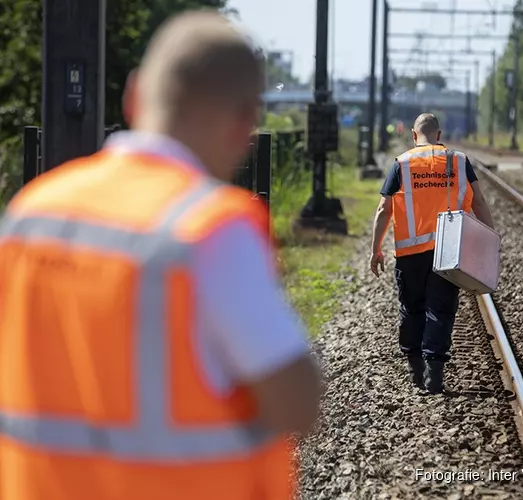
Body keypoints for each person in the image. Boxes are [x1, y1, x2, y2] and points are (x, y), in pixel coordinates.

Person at [0, 10, 321, 500]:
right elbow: (297, 402)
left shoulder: (33, 211)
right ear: (244, 125)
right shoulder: (209, 228)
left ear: (134, 95)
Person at [369, 113, 495, 394]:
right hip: (448, 251)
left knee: (411, 308)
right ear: (439, 135)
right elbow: (480, 202)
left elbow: (383, 210)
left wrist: (375, 249)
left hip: (410, 253)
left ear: (414, 135)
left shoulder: (401, 163)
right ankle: (434, 376)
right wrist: (491, 239)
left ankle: (415, 369)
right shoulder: (458, 161)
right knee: (440, 310)